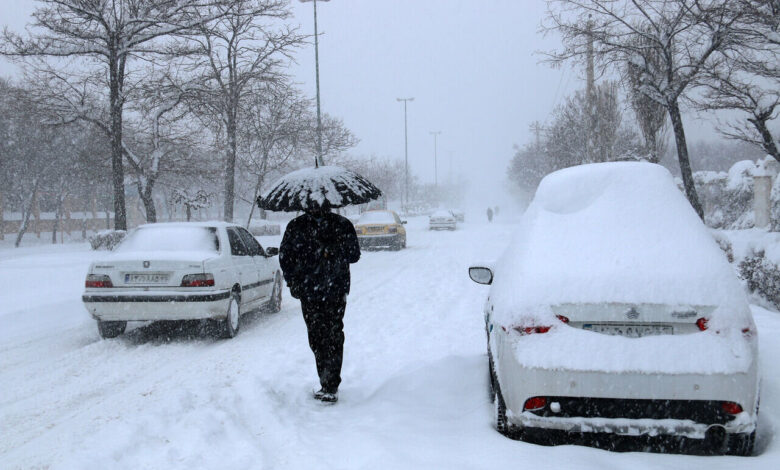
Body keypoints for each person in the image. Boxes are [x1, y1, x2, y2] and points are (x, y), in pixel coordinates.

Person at [279, 202, 361, 403]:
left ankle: (330, 384)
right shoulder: (296, 226)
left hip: (334, 290)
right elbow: (285, 257)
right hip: (310, 292)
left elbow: (354, 255)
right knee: (317, 336)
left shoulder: (341, 224)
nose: (316, 206)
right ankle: (326, 379)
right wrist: (293, 282)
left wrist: (333, 248)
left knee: (332, 335)